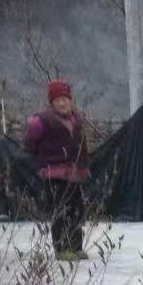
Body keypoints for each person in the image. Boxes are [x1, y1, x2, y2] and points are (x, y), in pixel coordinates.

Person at [23, 80, 90, 260]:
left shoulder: (77, 118)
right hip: (53, 173)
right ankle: (62, 249)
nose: (62, 103)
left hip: (74, 172)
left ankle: (76, 246)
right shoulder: (41, 121)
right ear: (52, 101)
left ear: (70, 100)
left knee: (76, 209)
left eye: (65, 99)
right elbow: (29, 143)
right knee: (60, 210)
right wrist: (40, 163)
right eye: (58, 99)